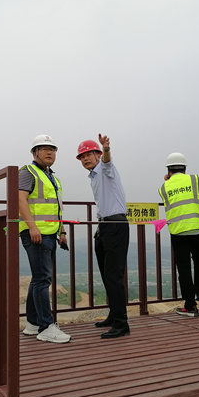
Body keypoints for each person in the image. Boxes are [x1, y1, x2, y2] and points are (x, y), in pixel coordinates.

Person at [77, 134, 130, 339]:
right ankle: (114, 314)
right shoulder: (93, 176)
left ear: (98, 155)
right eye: (82, 157)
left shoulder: (105, 168)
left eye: (89, 154)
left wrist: (106, 148)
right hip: (104, 226)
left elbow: (107, 160)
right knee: (106, 274)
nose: (85, 159)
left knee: (113, 275)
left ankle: (121, 324)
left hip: (115, 224)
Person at [19, 134, 71, 343]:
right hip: (36, 233)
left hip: (50, 233)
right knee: (42, 280)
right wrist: (32, 226)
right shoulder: (27, 172)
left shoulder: (53, 178)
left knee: (38, 278)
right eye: (44, 148)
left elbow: (57, 208)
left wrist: (62, 231)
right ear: (35, 153)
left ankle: (32, 323)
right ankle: (46, 326)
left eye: (53, 149)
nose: (50, 152)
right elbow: (20, 200)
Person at [158, 153, 199, 317]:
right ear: (185, 168)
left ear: (168, 170)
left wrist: (168, 180)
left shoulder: (163, 188)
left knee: (184, 267)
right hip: (198, 227)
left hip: (178, 230)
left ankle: (190, 305)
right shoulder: (195, 179)